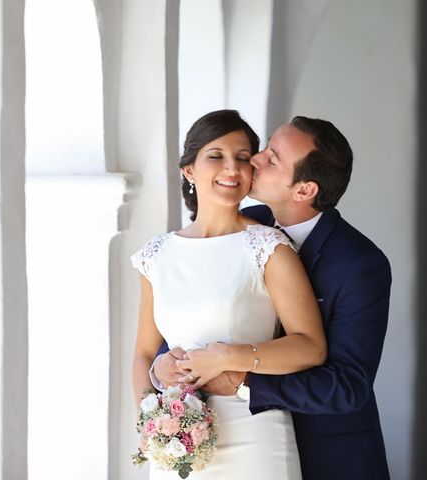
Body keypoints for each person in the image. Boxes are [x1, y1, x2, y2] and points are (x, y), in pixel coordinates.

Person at [154, 116, 392, 479]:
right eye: (266, 146)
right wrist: (165, 365)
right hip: (230, 447)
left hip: (327, 455)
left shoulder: (360, 264)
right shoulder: (244, 227)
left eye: (273, 158)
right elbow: (196, 307)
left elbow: (347, 386)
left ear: (304, 190)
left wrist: (244, 381)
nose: (255, 159)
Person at [131, 110, 327, 480]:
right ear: (189, 169)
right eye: (215, 156)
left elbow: (310, 347)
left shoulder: (268, 248)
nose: (232, 168)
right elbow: (143, 353)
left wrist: (226, 358)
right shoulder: (155, 257)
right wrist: (149, 417)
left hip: (254, 437)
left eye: (242, 157)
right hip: (177, 444)